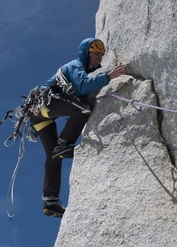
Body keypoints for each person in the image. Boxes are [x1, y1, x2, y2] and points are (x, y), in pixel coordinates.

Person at [29, 38, 126, 217]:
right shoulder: (75, 66)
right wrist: (109, 76)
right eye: (96, 53)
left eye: (101, 55)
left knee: (53, 156)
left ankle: (50, 201)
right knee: (84, 107)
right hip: (44, 106)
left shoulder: (82, 68)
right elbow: (82, 86)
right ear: (86, 53)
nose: (100, 57)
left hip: (38, 114)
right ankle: (65, 143)